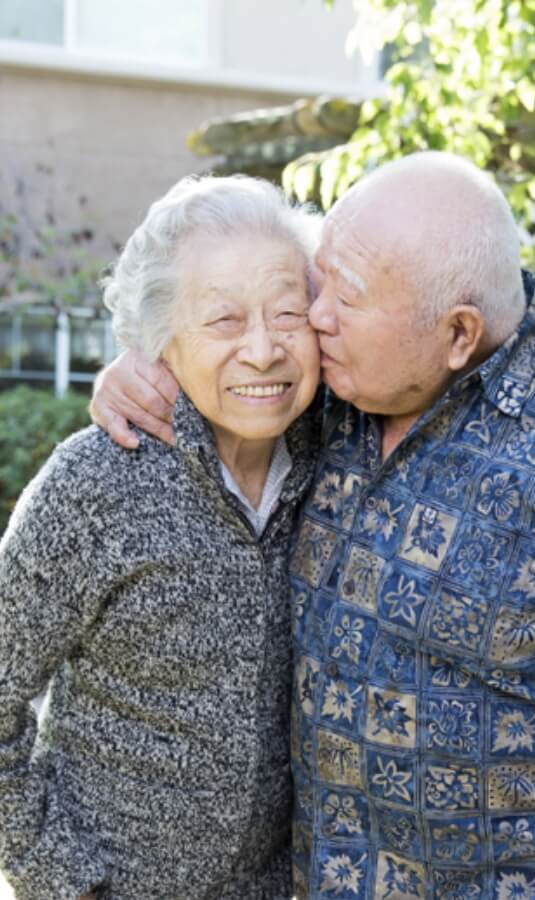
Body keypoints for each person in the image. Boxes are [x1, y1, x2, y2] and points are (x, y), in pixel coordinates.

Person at [91, 153, 535, 900]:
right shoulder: (332, 398)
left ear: (458, 334)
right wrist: (141, 367)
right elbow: (228, 352)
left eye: (345, 301)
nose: (316, 317)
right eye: (321, 284)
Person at [0, 174, 321, 900]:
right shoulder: (95, 485)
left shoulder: (343, 462)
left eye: (289, 313)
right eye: (224, 321)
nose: (265, 350)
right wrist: (61, 879)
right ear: (159, 341)